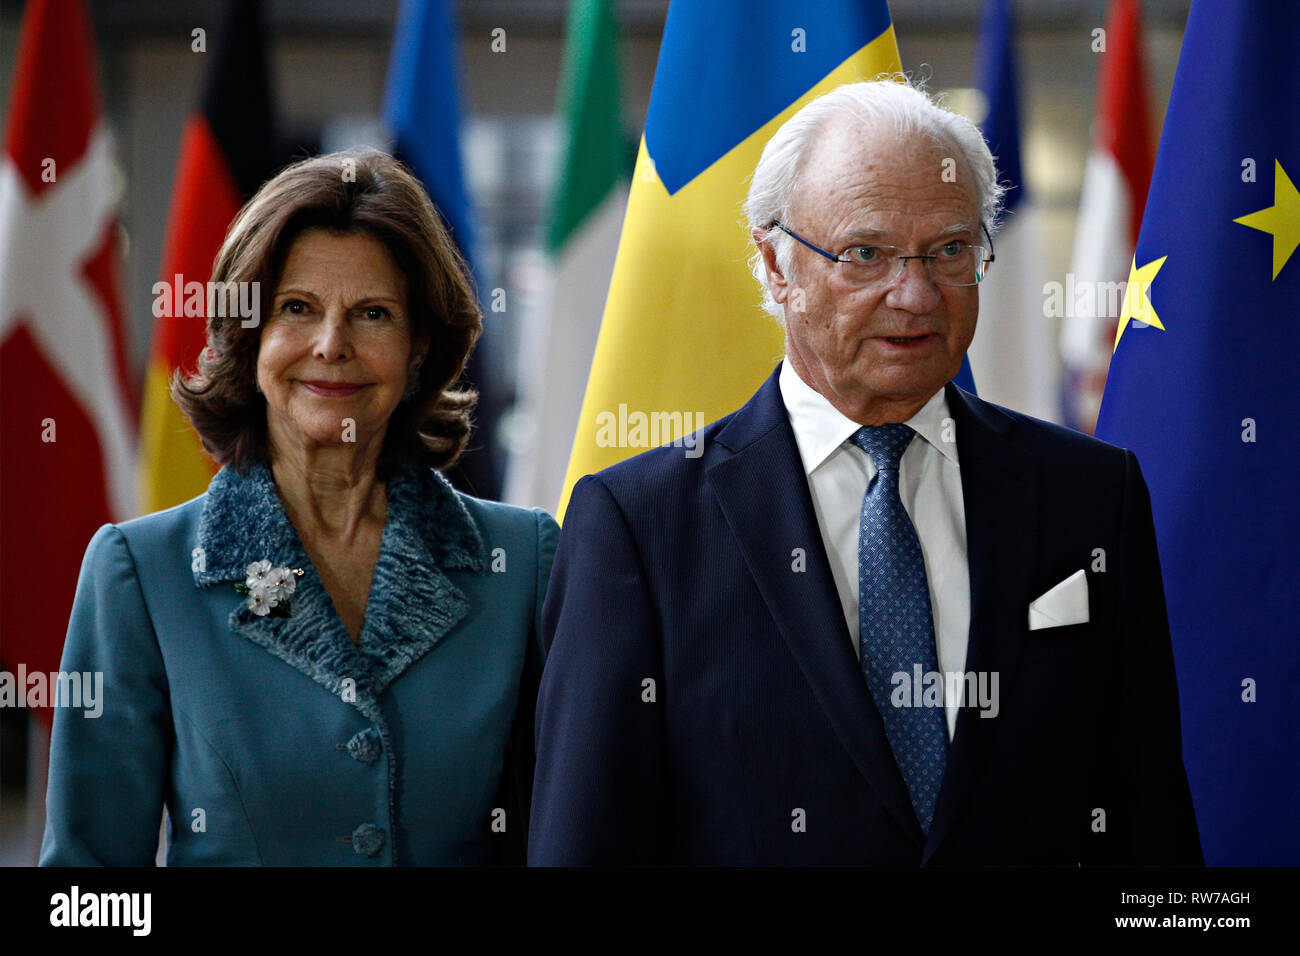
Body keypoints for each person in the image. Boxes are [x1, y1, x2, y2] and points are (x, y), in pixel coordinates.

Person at [529, 80, 1202, 865]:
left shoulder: (1092, 496)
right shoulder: (639, 524)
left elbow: (1152, 828)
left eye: (950, 249)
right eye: (866, 254)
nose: (915, 294)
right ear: (776, 266)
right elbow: (586, 841)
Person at [41, 150, 558, 866]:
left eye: (373, 314)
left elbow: (565, 837)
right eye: (297, 308)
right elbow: (87, 891)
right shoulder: (141, 573)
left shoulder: (524, 563)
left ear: (419, 350)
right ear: (249, 339)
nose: (331, 345)